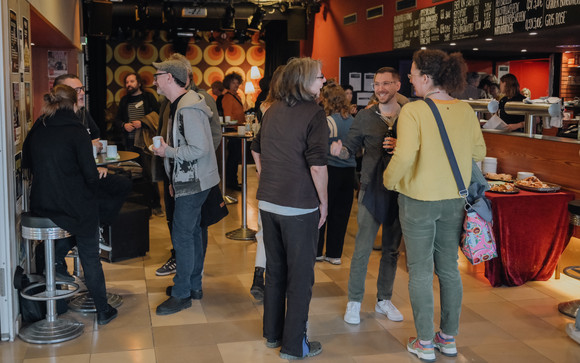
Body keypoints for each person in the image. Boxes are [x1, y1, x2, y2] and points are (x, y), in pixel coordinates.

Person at [383, 49, 486, 361]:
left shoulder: (414, 111)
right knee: (449, 270)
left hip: (418, 202)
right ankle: (448, 338)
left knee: (420, 271)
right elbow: (478, 151)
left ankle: (425, 342)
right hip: (454, 201)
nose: (411, 79)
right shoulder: (466, 110)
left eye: (413, 74)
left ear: (426, 78)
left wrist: (388, 180)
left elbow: (404, 156)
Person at [251, 57, 327, 359]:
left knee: (276, 270)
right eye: (319, 77)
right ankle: (295, 346)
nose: (323, 81)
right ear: (304, 80)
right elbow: (318, 166)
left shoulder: (270, 111)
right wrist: (324, 204)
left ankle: (273, 334)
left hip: (268, 203)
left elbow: (256, 149)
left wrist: (268, 175)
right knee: (300, 276)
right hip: (298, 206)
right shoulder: (315, 113)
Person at [22, 84, 118, 325]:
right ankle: (103, 310)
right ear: (74, 105)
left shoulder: (38, 126)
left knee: (55, 242)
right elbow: (89, 174)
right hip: (74, 206)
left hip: (42, 204)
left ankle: (57, 295)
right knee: (89, 253)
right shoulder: (77, 131)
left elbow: (27, 162)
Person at [330, 67, 407, 326]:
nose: (381, 88)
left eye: (386, 83)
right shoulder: (364, 116)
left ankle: (384, 299)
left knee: (391, 250)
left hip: (400, 189)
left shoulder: (410, 114)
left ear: (397, 85)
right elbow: (350, 150)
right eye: (377, 84)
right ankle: (354, 301)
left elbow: (421, 148)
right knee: (362, 248)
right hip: (370, 189)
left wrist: (401, 145)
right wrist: (338, 151)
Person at [152, 59, 219, 315]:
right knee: (191, 234)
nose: (154, 80)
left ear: (169, 77)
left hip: (193, 181)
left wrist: (167, 151)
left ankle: (182, 294)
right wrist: (172, 179)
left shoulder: (187, 107)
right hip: (194, 180)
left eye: (157, 75)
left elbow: (200, 148)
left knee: (182, 236)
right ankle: (194, 286)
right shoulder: (182, 103)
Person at [249, 65, 285, 301]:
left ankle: (258, 278)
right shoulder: (290, 111)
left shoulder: (265, 106)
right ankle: (275, 279)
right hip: (286, 178)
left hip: (269, 177)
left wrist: (262, 171)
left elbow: (256, 145)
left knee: (265, 231)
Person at [316, 84, 356, 265]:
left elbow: (319, 149)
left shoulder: (327, 121)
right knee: (341, 214)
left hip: (330, 170)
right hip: (349, 172)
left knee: (323, 211)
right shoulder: (353, 121)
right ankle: (334, 254)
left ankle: (317, 251)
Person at [116, 72, 163, 216]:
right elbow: (117, 120)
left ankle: (156, 205)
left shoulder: (149, 97)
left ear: (139, 83)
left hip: (145, 144)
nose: (129, 84)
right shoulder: (124, 100)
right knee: (133, 175)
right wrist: (124, 125)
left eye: (132, 81)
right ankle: (139, 207)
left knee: (149, 175)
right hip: (130, 144)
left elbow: (157, 116)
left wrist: (142, 122)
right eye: (127, 82)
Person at [53, 74, 103, 152]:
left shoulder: (83, 112)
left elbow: (95, 135)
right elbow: (59, 149)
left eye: (82, 88)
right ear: (61, 95)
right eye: (76, 90)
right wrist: (88, 145)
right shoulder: (54, 119)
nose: (83, 93)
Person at [222, 72, 246, 190]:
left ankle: (233, 181)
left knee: (235, 158)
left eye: (237, 82)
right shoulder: (227, 97)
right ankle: (231, 183)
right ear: (228, 83)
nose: (236, 85)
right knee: (233, 158)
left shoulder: (236, 96)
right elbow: (228, 117)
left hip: (238, 129)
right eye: (233, 83)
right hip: (233, 130)